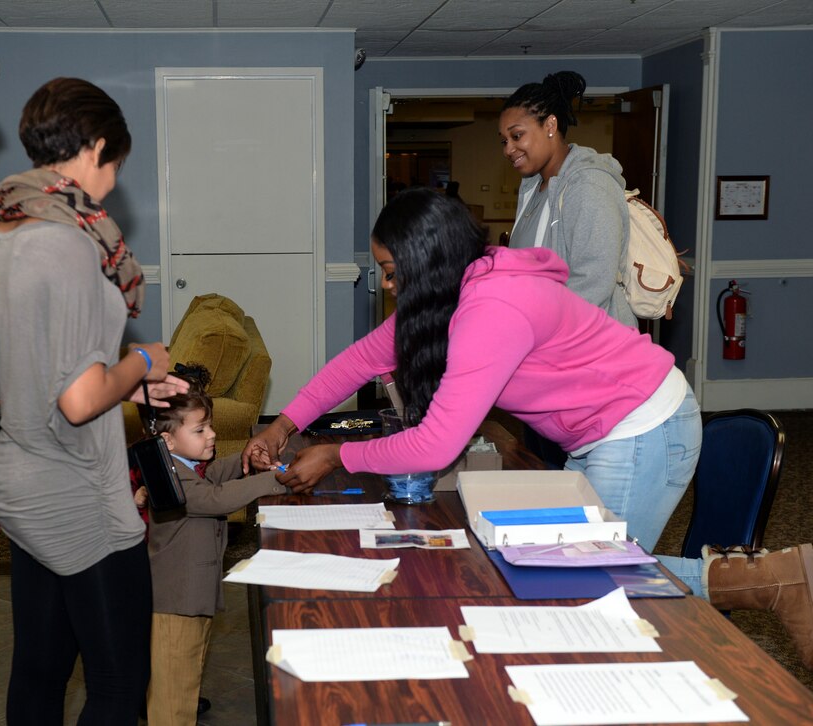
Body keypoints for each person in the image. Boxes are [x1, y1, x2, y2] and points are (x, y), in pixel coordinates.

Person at [243, 187, 813, 669]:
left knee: (595, 575)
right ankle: (774, 579)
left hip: (642, 424)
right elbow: (358, 361)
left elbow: (439, 441)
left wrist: (338, 454)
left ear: (424, 259)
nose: (388, 287)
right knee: (562, 560)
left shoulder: (492, 306)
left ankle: (775, 579)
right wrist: (286, 424)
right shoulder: (451, 294)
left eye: (393, 272)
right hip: (603, 429)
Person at [0, 77, 186, 725]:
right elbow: (81, 400)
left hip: (20, 487)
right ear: (96, 147)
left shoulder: (0, 233)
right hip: (80, 494)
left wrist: (126, 383)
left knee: (39, 667)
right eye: (116, 165)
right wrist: (143, 362)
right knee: (118, 683)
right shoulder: (71, 244)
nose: (113, 183)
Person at [138, 364, 289, 726]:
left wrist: (244, 459)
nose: (212, 434)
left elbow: (215, 475)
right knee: (172, 698)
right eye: (201, 429)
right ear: (168, 441)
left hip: (191, 601)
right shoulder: (168, 481)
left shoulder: (182, 466)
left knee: (186, 681)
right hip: (175, 605)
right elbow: (216, 498)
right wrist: (273, 480)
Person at [499, 70, 634, 468]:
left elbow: (593, 280)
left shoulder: (588, 185)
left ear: (551, 125)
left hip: (589, 366)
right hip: (545, 364)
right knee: (543, 469)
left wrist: (533, 332)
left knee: (578, 481)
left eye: (517, 135)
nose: (509, 148)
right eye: (504, 140)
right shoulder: (535, 189)